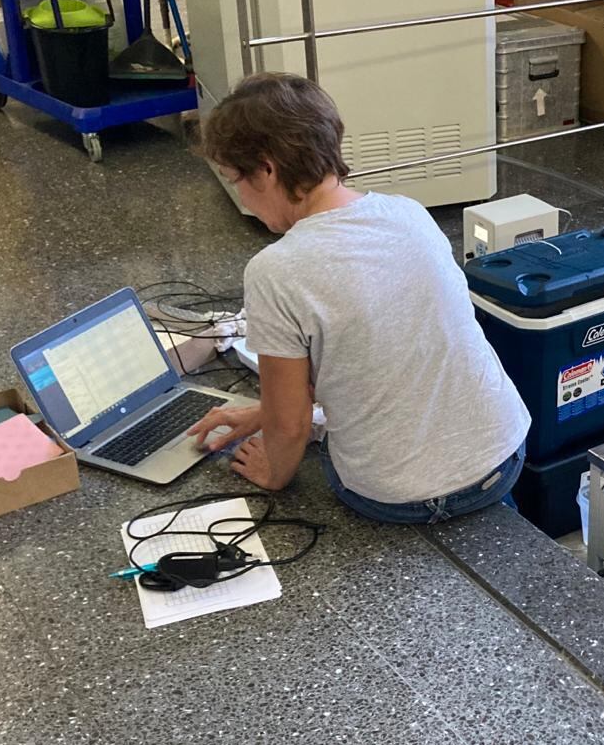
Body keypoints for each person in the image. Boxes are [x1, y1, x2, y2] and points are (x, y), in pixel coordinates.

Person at [186, 73, 530, 524]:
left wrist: (273, 471)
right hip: (503, 452)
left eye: (237, 181)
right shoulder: (409, 212)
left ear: (266, 170)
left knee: (311, 461)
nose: (245, 201)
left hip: (398, 496)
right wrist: (269, 412)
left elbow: (291, 427)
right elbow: (375, 360)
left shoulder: (276, 269)